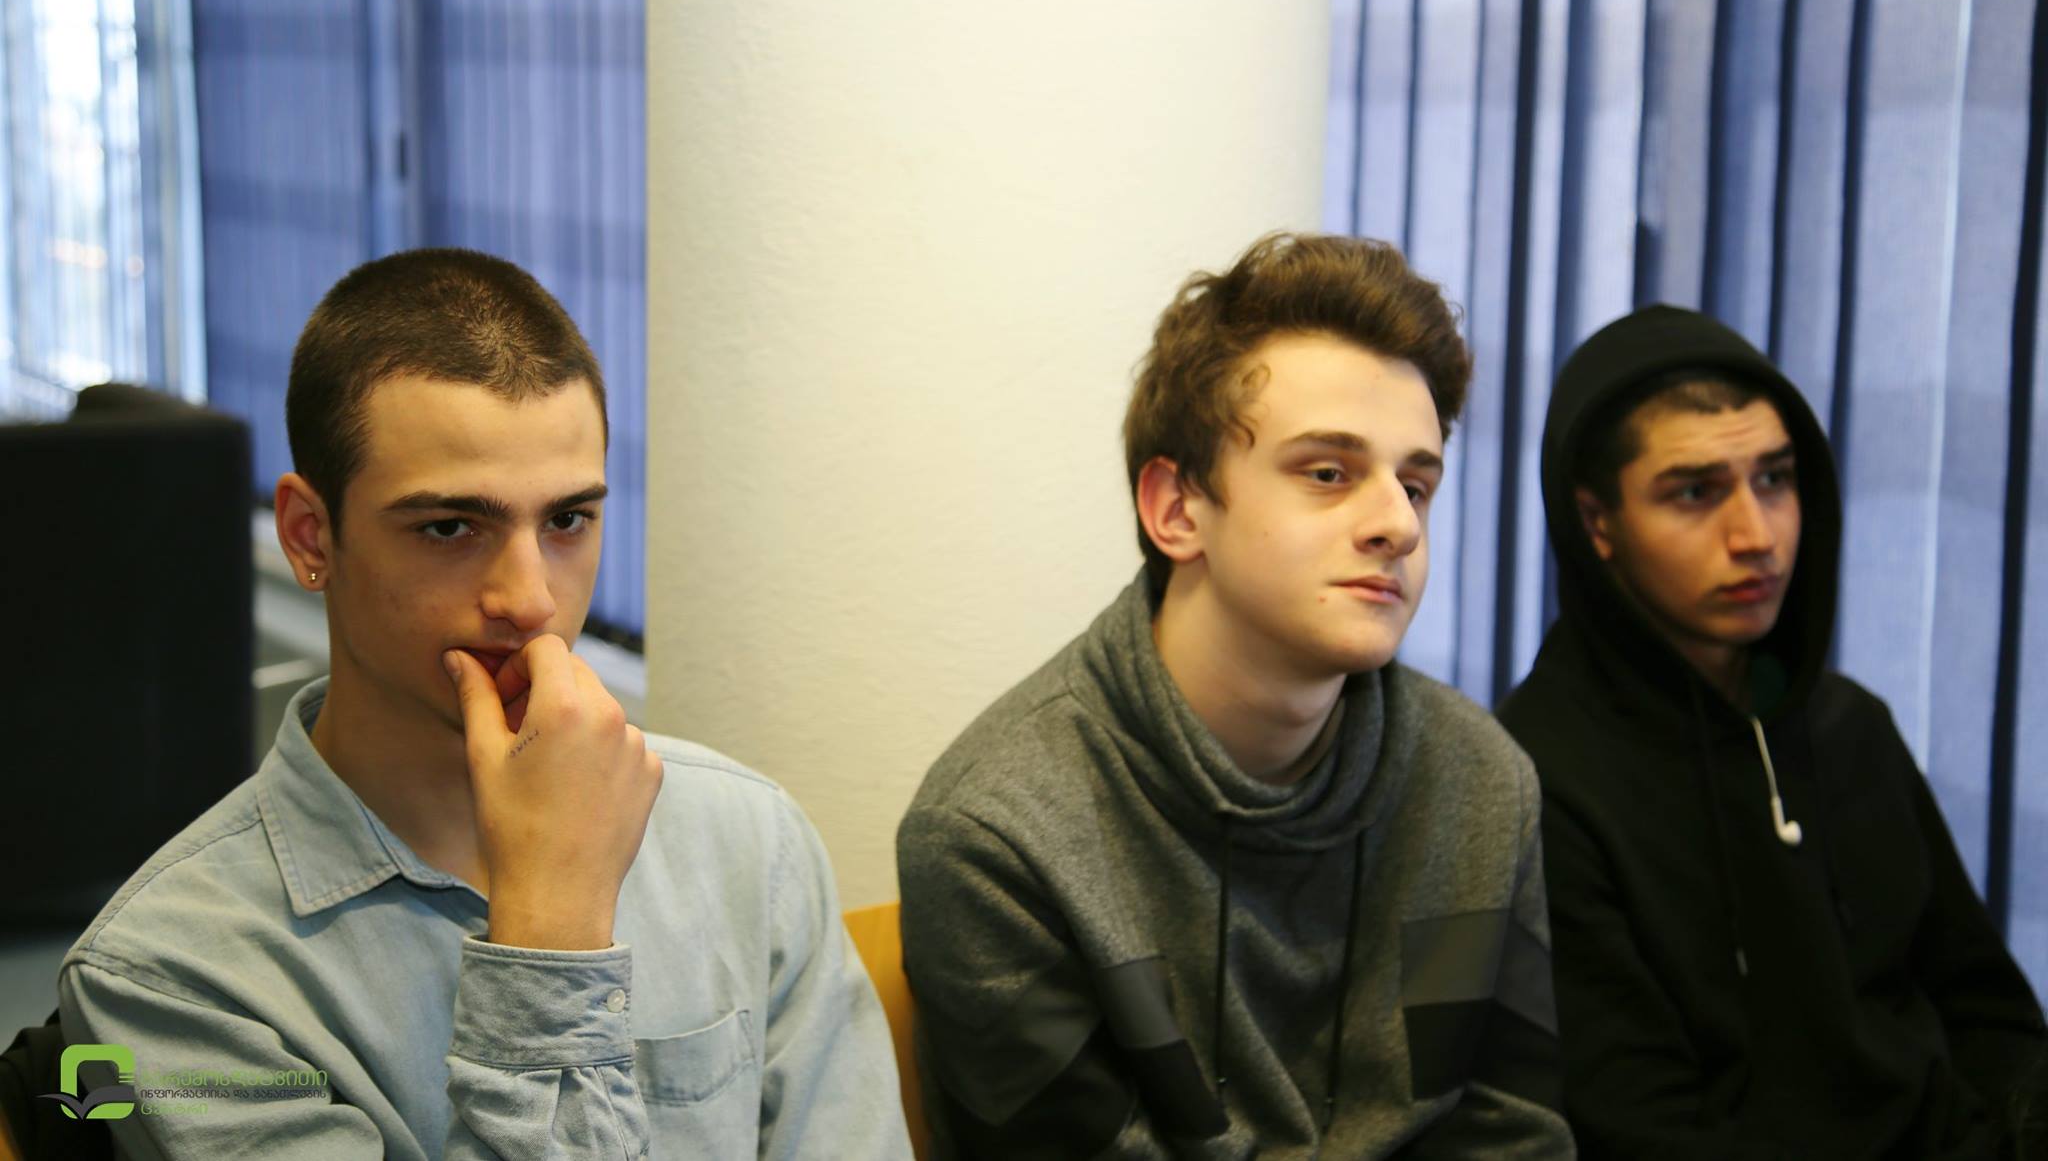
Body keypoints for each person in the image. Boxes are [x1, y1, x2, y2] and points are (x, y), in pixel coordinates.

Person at [58, 249, 911, 1159]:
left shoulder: (750, 838)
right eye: (451, 527)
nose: (531, 600)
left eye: (568, 519)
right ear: (311, 536)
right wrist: (551, 935)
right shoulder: (166, 976)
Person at [897, 233, 1573, 1158]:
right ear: (1177, 510)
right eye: (1328, 472)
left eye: (1416, 484)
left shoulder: (1477, 780)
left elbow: (1508, 1136)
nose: (1398, 524)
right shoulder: (998, 838)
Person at [1498, 304, 2046, 1159]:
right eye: (1694, 491)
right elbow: (1636, 1124)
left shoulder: (1847, 727)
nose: (1755, 536)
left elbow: (1990, 1015)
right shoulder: (1532, 780)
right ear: (1597, 522)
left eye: (1776, 479)